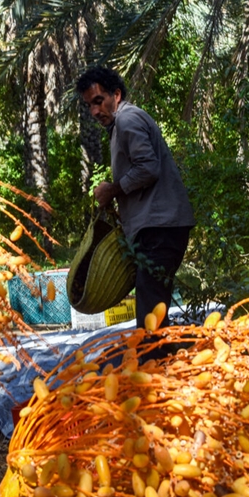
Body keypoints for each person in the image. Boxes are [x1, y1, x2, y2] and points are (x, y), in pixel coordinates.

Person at [76, 67, 195, 341]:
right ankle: (160, 367)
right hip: (159, 226)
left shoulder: (127, 120)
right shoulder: (121, 124)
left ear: (116, 95)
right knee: (153, 308)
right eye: (89, 105)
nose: (95, 111)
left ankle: (155, 372)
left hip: (160, 228)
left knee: (150, 312)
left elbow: (148, 168)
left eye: (98, 101)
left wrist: (113, 191)